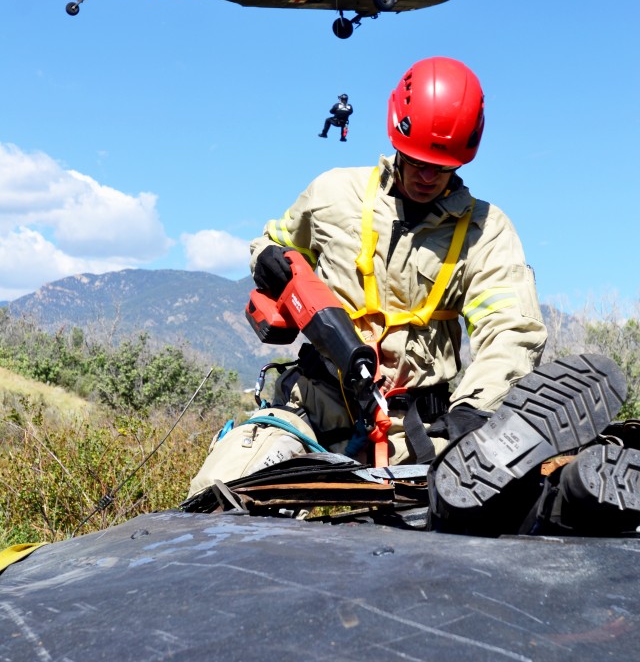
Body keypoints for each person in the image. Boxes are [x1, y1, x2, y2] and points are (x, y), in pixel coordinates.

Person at [188, 56, 548, 496]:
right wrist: (266, 256)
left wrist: (474, 409)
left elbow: (511, 329)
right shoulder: (333, 194)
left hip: (414, 431)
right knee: (221, 494)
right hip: (311, 411)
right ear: (398, 131)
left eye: (443, 165)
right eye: (418, 161)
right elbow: (277, 242)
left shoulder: (487, 232)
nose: (428, 176)